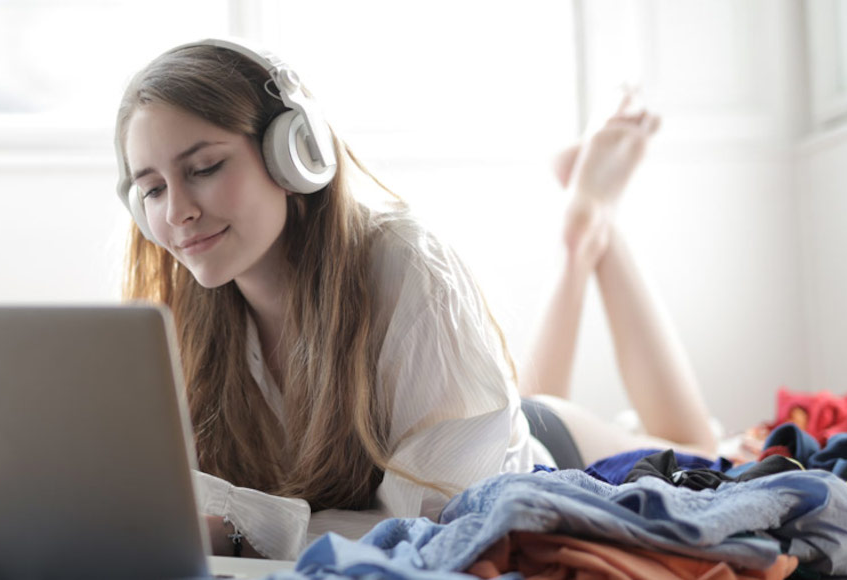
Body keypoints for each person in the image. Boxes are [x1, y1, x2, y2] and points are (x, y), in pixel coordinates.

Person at [112, 38, 718, 561]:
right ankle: (582, 231)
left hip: (525, 462)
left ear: (294, 152)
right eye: (153, 189)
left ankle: (586, 225)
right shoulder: (182, 308)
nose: (178, 212)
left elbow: (442, 524)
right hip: (471, 420)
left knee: (702, 449)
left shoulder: (407, 265)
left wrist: (245, 534)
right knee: (524, 391)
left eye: (206, 167)